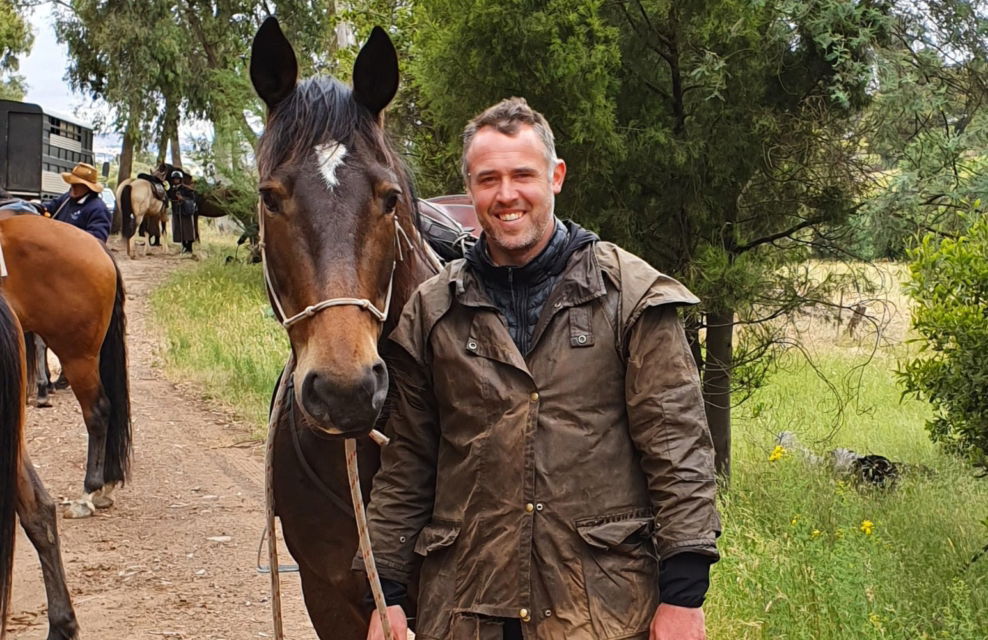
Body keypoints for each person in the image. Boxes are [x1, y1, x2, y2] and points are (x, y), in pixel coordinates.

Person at [358, 97, 721, 640]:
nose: (506, 195)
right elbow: (408, 464)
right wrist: (385, 595)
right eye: (488, 179)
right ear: (470, 189)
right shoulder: (432, 312)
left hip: (599, 610)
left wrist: (684, 598)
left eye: (522, 175)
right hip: (466, 608)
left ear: (555, 177)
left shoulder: (632, 296)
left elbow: (678, 451)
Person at [40, 162, 112, 242]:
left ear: (88, 187)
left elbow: (98, 239)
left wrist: (67, 236)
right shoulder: (66, 198)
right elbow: (49, 207)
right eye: (72, 183)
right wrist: (35, 207)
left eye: (78, 184)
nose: (73, 186)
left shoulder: (98, 209)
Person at [166, 169, 199, 254]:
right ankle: (184, 246)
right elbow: (168, 197)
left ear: (180, 179)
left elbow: (193, 198)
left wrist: (183, 199)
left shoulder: (186, 189)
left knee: (188, 229)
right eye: (174, 179)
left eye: (177, 179)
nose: (176, 180)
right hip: (176, 212)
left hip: (186, 212)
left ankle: (189, 247)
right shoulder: (171, 190)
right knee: (179, 230)